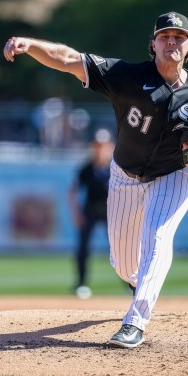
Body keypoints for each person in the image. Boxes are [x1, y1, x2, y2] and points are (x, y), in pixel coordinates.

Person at [3, 11, 188, 348]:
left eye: (178, 37)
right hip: (125, 175)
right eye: (165, 36)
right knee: (124, 263)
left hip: (174, 175)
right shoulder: (126, 76)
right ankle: (138, 284)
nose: (172, 42)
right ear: (152, 44)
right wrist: (30, 43)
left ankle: (135, 322)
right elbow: (69, 60)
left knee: (157, 238)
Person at [68, 128, 114, 300]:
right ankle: (81, 284)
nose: (100, 148)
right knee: (83, 248)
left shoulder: (116, 167)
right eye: (97, 145)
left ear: (110, 146)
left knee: (120, 248)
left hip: (111, 212)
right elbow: (72, 191)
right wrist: (76, 212)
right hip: (90, 210)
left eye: (103, 145)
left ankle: (130, 284)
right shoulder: (86, 168)